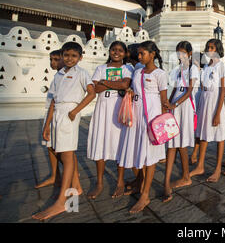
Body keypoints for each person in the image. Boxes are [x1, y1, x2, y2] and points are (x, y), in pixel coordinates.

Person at [32, 42, 96, 220]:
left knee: (67, 156)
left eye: (74, 56)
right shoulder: (59, 74)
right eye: (66, 55)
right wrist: (46, 126)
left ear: (80, 58)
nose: (69, 59)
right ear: (62, 55)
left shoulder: (81, 73)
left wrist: (75, 111)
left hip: (69, 114)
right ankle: (75, 187)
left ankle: (62, 200)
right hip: (57, 113)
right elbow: (53, 100)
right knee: (59, 151)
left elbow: (92, 93)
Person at [117, 41, 168, 213]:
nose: (139, 57)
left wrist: (161, 123)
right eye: (138, 54)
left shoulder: (160, 74)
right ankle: (141, 185)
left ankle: (145, 195)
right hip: (137, 116)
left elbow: (163, 101)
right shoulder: (137, 72)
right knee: (139, 153)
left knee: (150, 156)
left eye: (142, 54)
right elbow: (133, 90)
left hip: (152, 118)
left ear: (152, 54)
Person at [87, 41, 133, 199]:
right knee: (100, 143)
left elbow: (125, 84)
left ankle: (120, 181)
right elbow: (95, 89)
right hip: (103, 109)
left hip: (119, 109)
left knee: (119, 144)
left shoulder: (128, 68)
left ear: (125, 53)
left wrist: (104, 82)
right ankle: (99, 182)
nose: (116, 53)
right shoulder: (101, 68)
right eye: (114, 50)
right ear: (109, 51)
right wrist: (116, 85)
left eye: (120, 50)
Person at [163, 41, 198, 202]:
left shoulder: (193, 69)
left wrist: (174, 104)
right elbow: (175, 90)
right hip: (175, 108)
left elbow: (189, 91)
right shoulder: (177, 71)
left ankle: (184, 176)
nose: (180, 56)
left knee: (180, 144)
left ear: (189, 54)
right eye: (178, 53)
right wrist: (167, 105)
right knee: (173, 144)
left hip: (185, 108)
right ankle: (168, 181)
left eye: (183, 53)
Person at [190, 39, 225, 183]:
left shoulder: (221, 66)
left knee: (219, 136)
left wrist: (218, 113)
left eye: (212, 47)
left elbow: (223, 90)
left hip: (215, 102)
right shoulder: (206, 66)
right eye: (208, 47)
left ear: (218, 49)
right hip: (205, 101)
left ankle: (217, 168)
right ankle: (200, 165)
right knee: (203, 134)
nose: (209, 49)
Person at [35, 49, 64, 189]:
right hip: (50, 113)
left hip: (58, 114)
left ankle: (73, 175)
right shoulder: (57, 76)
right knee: (50, 146)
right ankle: (55, 175)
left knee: (63, 150)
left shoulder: (64, 76)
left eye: (56, 59)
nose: (53, 63)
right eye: (51, 59)